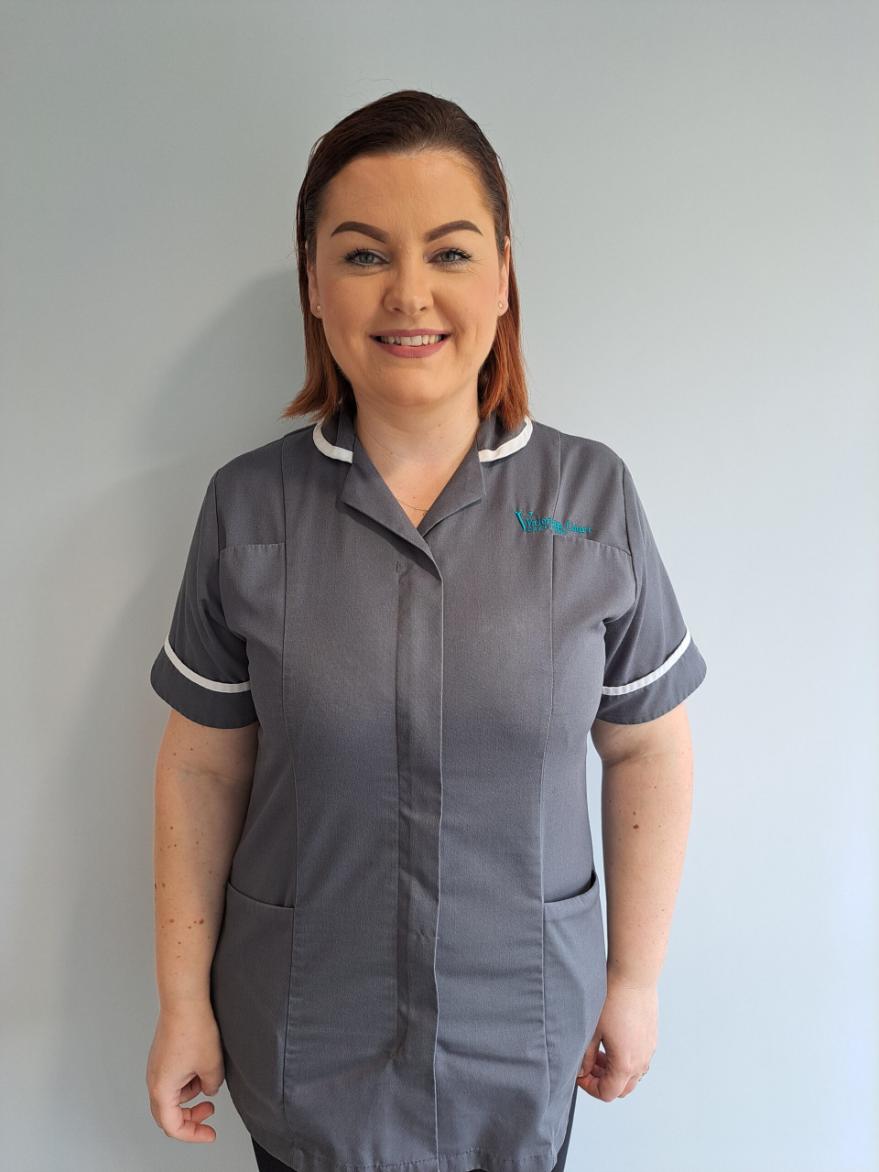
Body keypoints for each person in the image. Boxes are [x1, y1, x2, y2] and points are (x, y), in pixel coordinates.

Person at [145, 89, 707, 1172]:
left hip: (522, 1040)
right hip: (304, 1035)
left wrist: (634, 978)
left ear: (503, 274)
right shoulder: (248, 511)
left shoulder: (592, 498)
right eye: (362, 256)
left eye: (449, 252)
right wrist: (182, 999)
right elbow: (201, 768)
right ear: (314, 282)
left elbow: (648, 742)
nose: (409, 292)